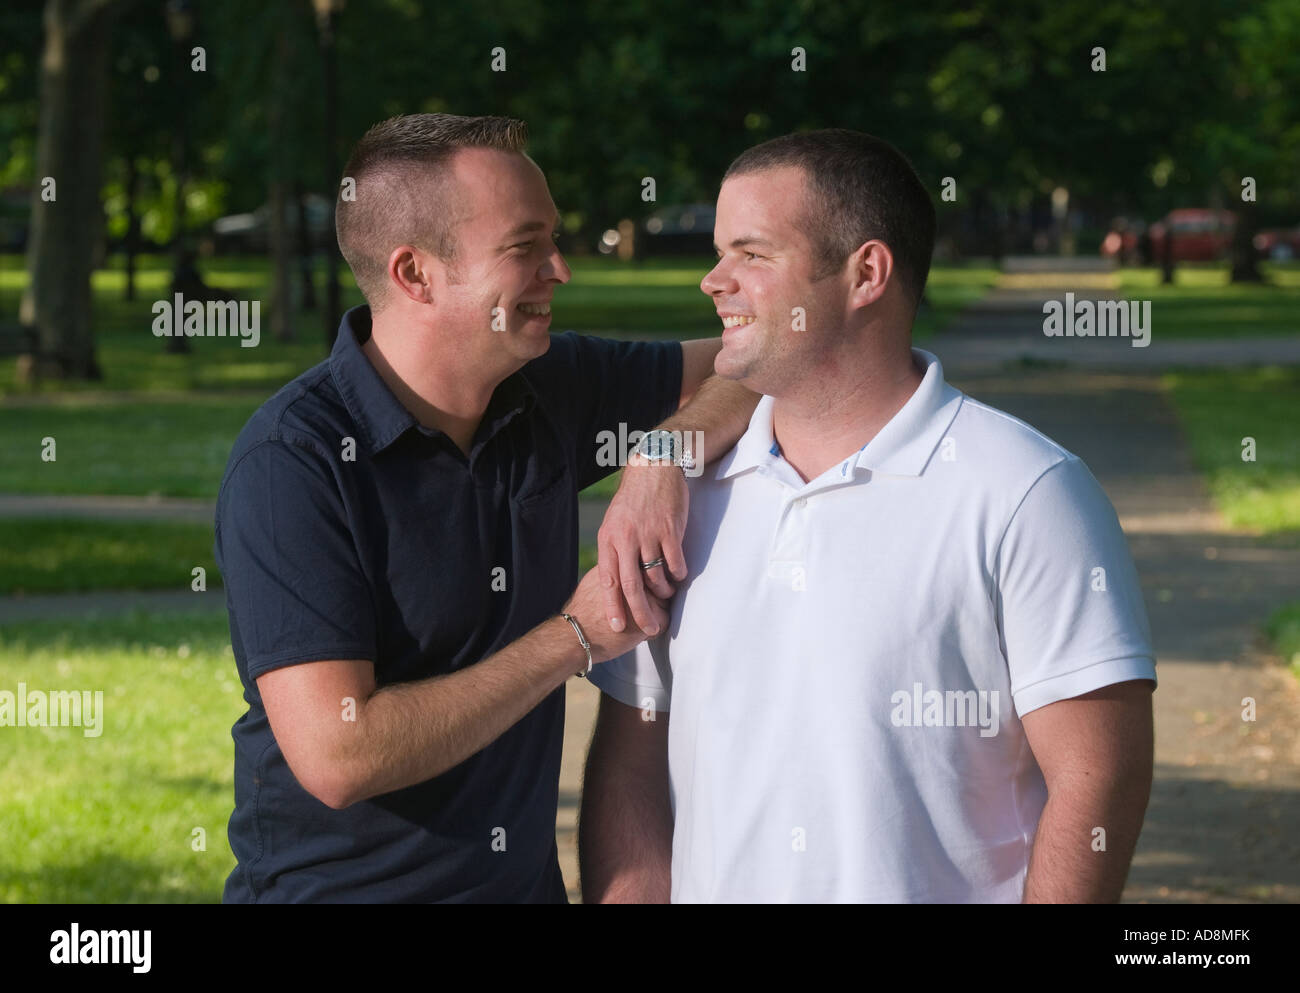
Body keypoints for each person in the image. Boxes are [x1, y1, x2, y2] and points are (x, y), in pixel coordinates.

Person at [579, 129, 1157, 904]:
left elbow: (1098, 781)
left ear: (866, 274)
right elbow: (632, 766)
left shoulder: (1028, 492)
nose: (715, 280)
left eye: (751, 254)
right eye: (721, 253)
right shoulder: (679, 500)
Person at [215, 113, 757, 903]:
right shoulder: (292, 465)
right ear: (415, 274)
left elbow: (759, 355)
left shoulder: (548, 386)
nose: (560, 269)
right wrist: (574, 637)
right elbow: (340, 754)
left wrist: (662, 453)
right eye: (525, 247)